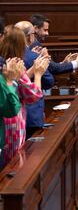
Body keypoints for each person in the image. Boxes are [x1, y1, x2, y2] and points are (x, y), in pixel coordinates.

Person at [0, 27, 48, 164]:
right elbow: (33, 95)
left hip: (3, 121)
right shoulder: (15, 65)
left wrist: (31, 70)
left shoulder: (4, 63)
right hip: (13, 119)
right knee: (13, 163)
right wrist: (38, 74)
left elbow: (21, 81)